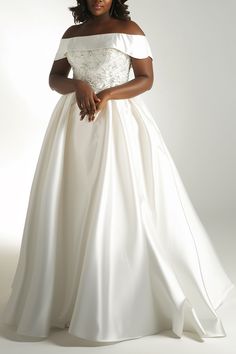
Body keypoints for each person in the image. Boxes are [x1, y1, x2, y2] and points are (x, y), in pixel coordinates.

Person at [2, 0, 235, 344]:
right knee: (69, 202)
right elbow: (54, 79)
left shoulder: (130, 31)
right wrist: (78, 87)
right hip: (73, 126)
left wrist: (108, 93)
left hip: (118, 124)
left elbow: (146, 79)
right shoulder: (73, 34)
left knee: (117, 201)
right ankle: (64, 292)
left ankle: (118, 298)